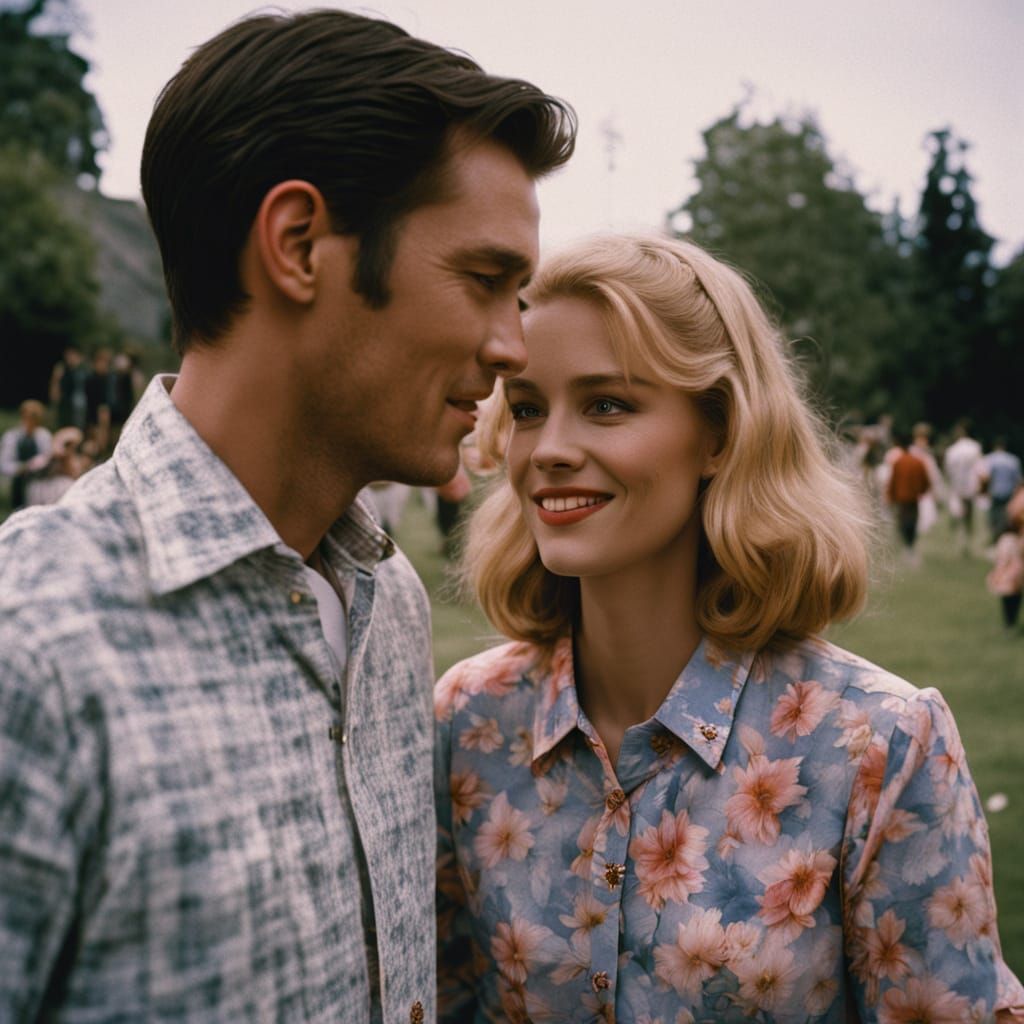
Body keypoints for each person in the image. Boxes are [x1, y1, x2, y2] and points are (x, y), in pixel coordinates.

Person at [0, 9, 575, 1022]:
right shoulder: (33, 652)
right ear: (300, 245)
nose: (511, 348)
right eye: (485, 280)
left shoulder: (390, 603)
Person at [434, 234, 1024, 1021]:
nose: (550, 449)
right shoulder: (468, 719)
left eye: (607, 404)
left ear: (718, 433)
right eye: (528, 409)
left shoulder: (878, 748)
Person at [885, 431, 930, 565]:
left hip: (901, 498)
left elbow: (893, 481)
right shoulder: (918, 461)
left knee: (903, 522)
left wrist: (890, 496)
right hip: (913, 497)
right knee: (913, 522)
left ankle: (907, 546)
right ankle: (910, 545)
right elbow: (925, 481)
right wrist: (921, 491)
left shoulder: (898, 462)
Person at [0, 399, 52, 511]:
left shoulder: (44, 436)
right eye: (28, 418)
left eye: (35, 419)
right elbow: (4, 465)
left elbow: (47, 457)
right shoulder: (11, 437)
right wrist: (22, 468)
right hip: (17, 479)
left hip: (39, 479)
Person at [943, 418, 985, 556]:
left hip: (957, 486)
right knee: (969, 517)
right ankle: (967, 543)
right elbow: (980, 468)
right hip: (971, 487)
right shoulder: (975, 447)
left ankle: (959, 542)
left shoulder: (952, 450)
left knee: (958, 515)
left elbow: (948, 470)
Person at [981, 437, 1023, 544]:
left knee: (994, 516)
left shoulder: (989, 459)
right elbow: (1018, 480)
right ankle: (1003, 536)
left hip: (994, 492)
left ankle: (996, 537)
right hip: (1009, 493)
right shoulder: (1013, 460)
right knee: (1006, 516)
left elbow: (984, 477)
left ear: (995, 447)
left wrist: (984, 491)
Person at [987, 523, 1024, 632]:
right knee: (1015, 598)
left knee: (1008, 600)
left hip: (1009, 574)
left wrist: (997, 574)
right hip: (1016, 573)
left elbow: (1003, 559)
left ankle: (1010, 624)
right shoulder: (1014, 539)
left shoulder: (1006, 540)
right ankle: (1011, 624)